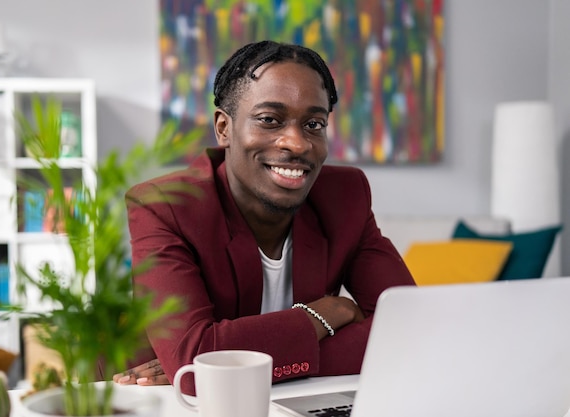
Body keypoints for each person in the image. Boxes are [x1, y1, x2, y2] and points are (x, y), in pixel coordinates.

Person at [113, 40, 415, 394]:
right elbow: (194, 365)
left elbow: (411, 329)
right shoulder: (165, 206)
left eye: (314, 124)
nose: (297, 143)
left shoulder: (346, 197)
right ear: (224, 128)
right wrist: (330, 313)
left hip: (289, 400)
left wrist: (228, 363)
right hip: (164, 402)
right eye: (270, 120)